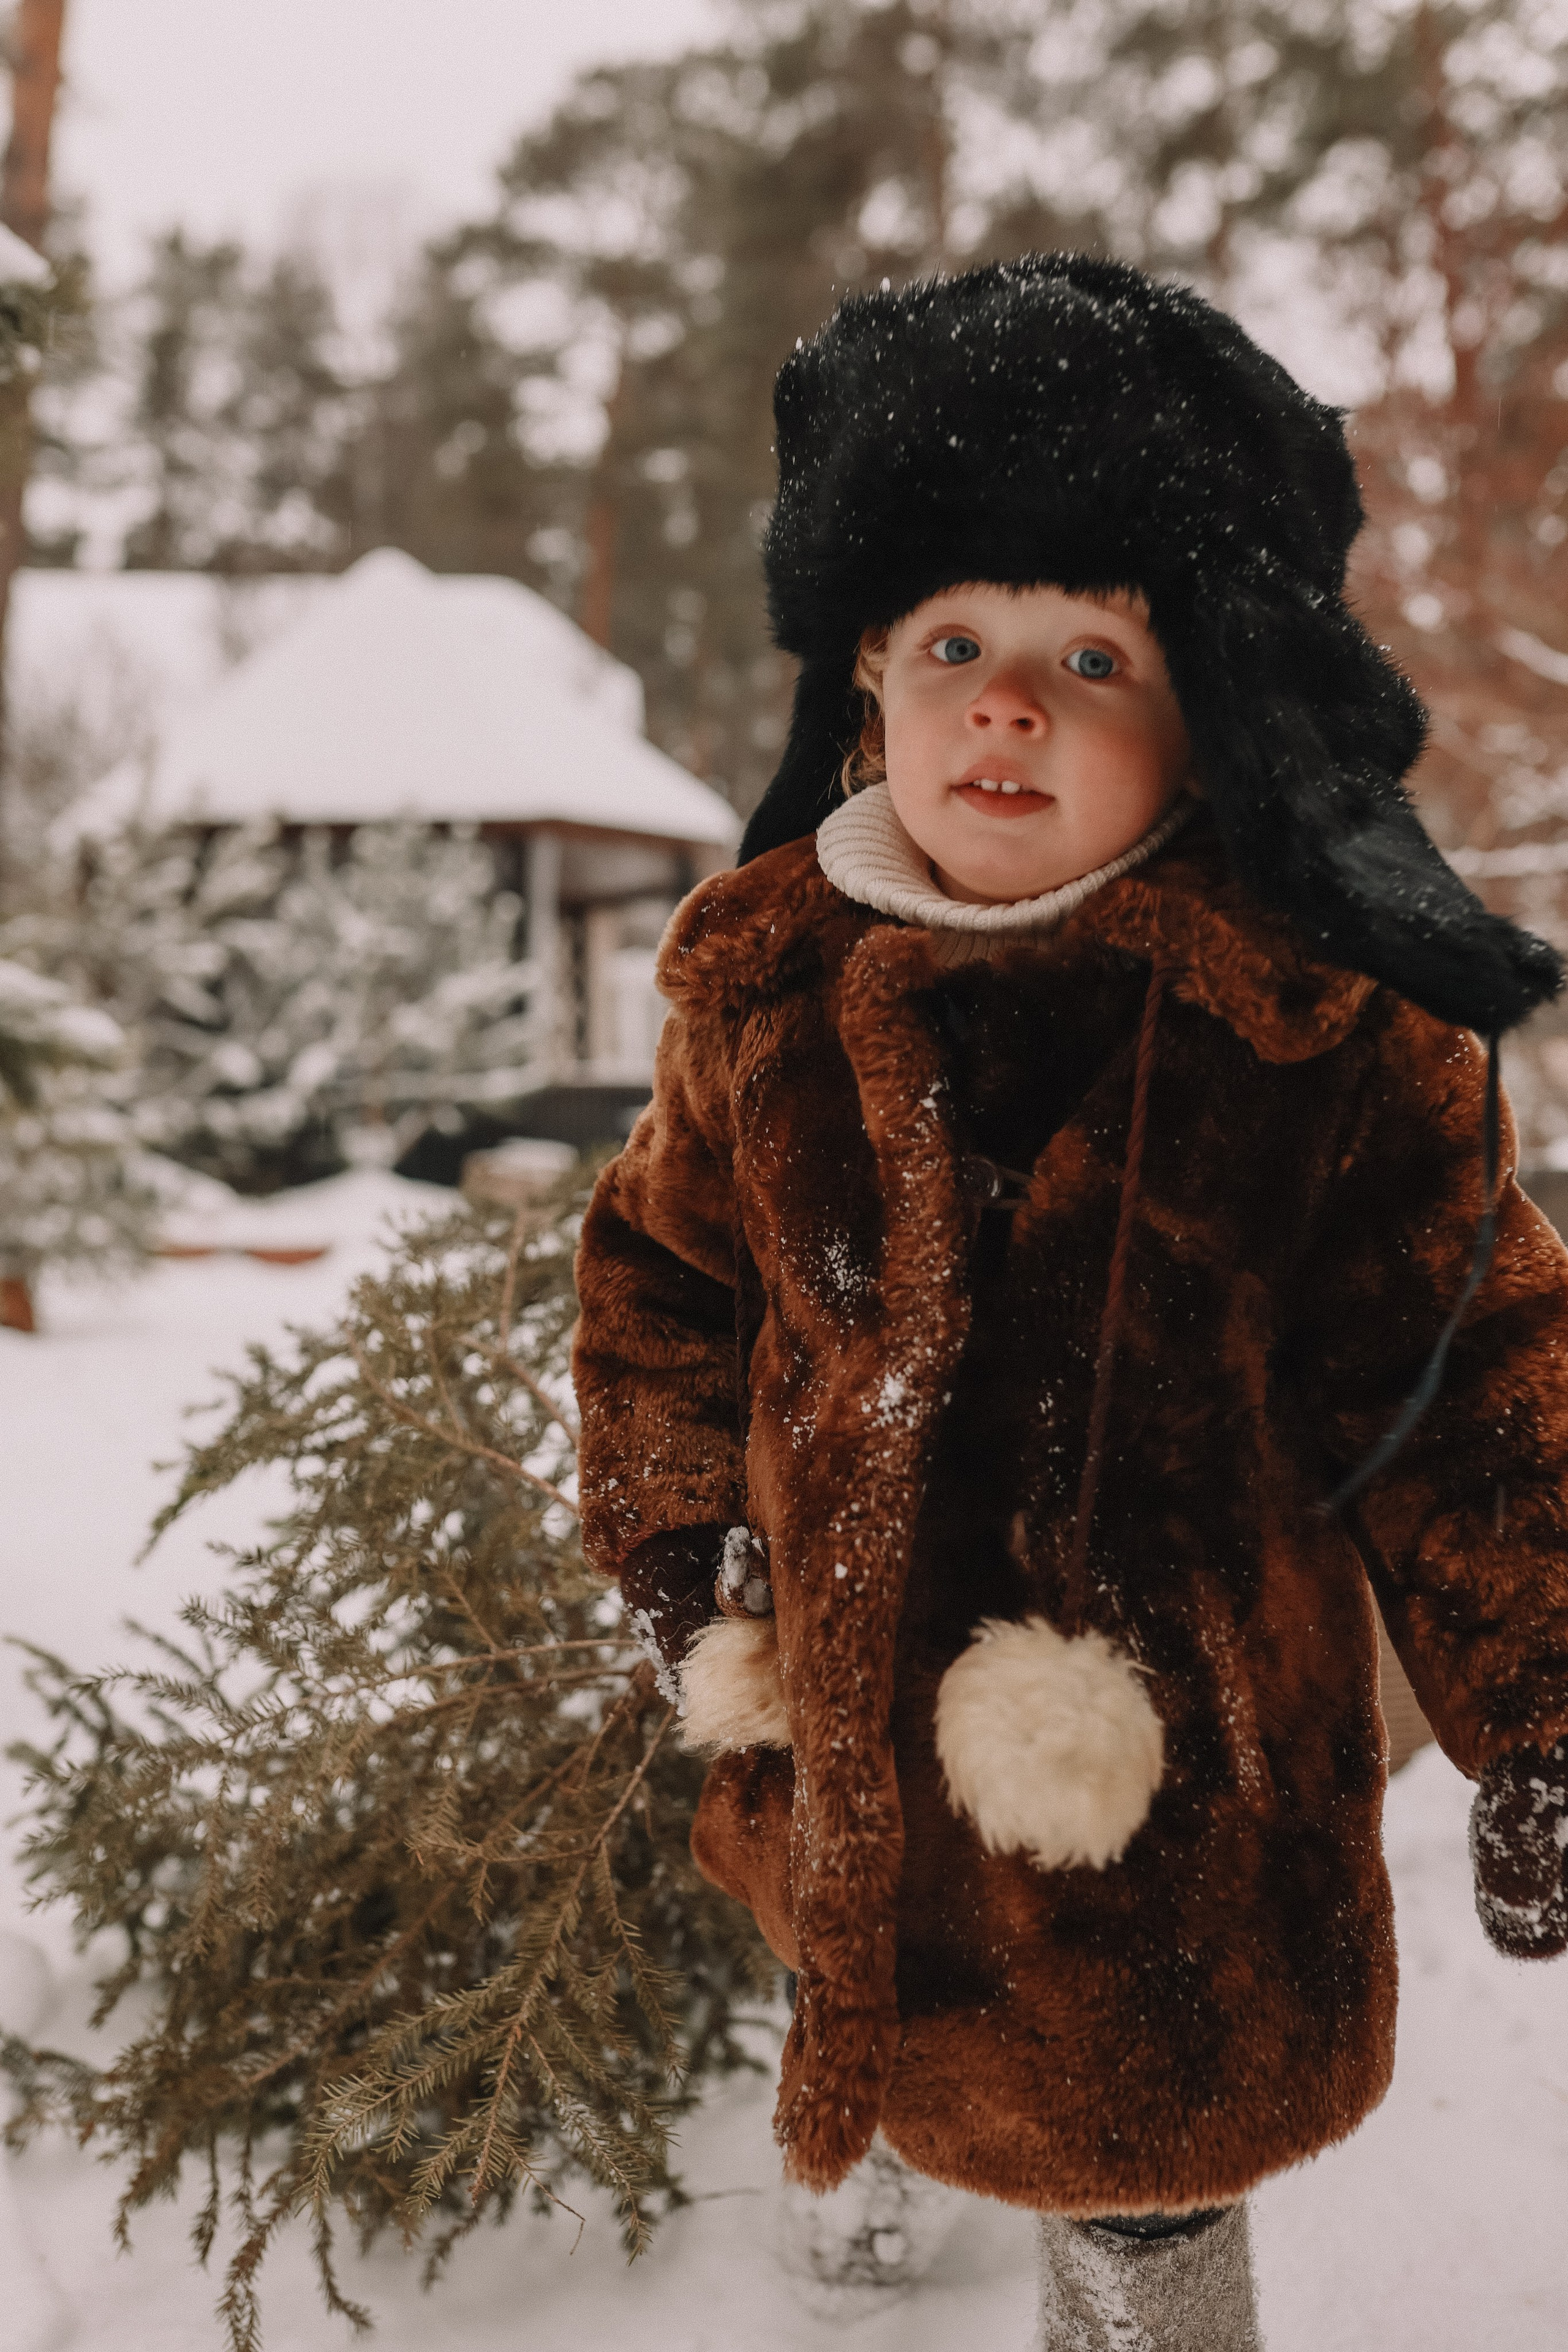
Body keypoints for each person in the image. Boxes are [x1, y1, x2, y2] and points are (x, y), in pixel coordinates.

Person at [570, 256, 1568, 2351]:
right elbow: (657, 1287)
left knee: (1134, 2190)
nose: (1006, 703)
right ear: (868, 684)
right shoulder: (766, 1000)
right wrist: (688, 1561)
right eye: (958, 643)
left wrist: (1549, 1697)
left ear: (1208, 710)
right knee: (863, 2039)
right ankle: (854, 2232)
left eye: (1092, 655)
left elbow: (1486, 1377)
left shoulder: (1316, 1038)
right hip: (844, 1772)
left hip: (1179, 1832)